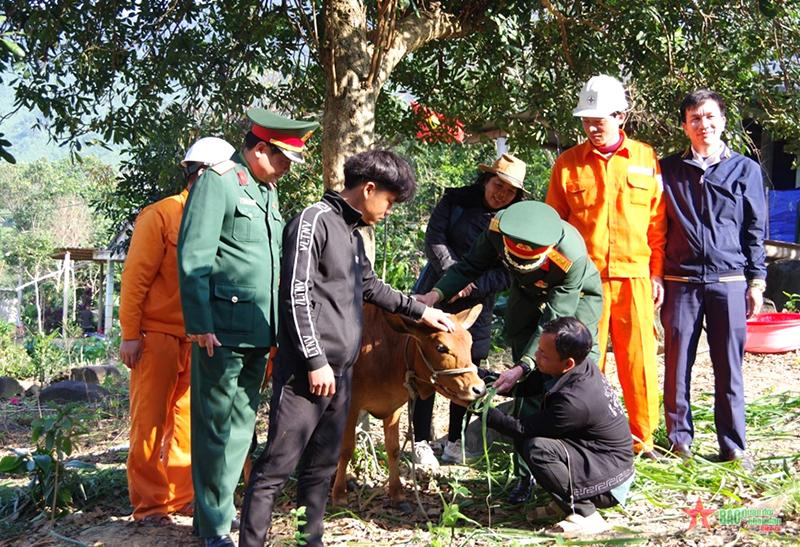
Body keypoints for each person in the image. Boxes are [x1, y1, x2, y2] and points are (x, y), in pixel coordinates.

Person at [238, 150, 456, 547]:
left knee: (322, 466)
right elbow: (295, 294)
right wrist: (315, 359)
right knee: (276, 467)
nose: (389, 211)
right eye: (389, 201)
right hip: (307, 373)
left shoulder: (353, 235)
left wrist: (423, 313)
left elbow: (370, 287)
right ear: (368, 188)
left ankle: (311, 541)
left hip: (342, 372)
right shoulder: (313, 221)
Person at [178, 110, 318, 547]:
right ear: (260, 149)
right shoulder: (217, 182)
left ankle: (215, 515)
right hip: (219, 328)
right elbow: (194, 256)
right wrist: (199, 322)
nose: (287, 168)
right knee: (214, 427)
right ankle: (215, 524)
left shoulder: (267, 192)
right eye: (283, 159)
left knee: (241, 426)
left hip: (258, 330)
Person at [417, 200, 604, 504]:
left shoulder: (570, 256)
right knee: (527, 390)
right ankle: (525, 473)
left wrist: (526, 365)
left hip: (574, 301)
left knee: (568, 378)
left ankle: (580, 472)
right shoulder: (498, 229)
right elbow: (469, 267)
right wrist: (434, 294)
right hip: (526, 294)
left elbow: (554, 319)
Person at [545, 75, 666, 459]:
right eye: (587, 119)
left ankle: (641, 439)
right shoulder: (567, 165)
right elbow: (552, 228)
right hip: (586, 283)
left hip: (635, 277)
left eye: (600, 119)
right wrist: (568, 273)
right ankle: (587, 437)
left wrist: (656, 272)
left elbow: (657, 224)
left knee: (639, 359)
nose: (593, 127)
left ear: (621, 115)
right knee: (583, 360)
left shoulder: (646, 159)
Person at [120, 136, 235, 524]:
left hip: (199, 339)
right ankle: (151, 505)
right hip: (157, 337)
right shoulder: (162, 215)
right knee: (150, 422)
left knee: (190, 423)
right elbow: (135, 279)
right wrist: (130, 335)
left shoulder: (222, 220)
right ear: (202, 175)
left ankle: (183, 498)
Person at [659, 89, 766, 467]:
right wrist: (657, 276)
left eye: (709, 117)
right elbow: (655, 226)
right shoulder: (666, 169)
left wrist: (757, 281)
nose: (703, 124)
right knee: (676, 366)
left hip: (730, 282)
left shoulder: (746, 170)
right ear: (684, 125)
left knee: (729, 367)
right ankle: (679, 443)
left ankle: (733, 445)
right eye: (694, 118)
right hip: (680, 282)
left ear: (722, 121)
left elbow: (755, 230)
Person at [411, 153, 524, 467]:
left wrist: (472, 286)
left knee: (467, 368)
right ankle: (420, 440)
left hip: (478, 302)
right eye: (497, 184)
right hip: (436, 293)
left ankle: (454, 440)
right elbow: (434, 238)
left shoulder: (515, 223)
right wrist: (452, 277)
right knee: (427, 365)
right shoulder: (456, 201)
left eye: (509, 191)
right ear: (486, 180)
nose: (500, 193)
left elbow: (509, 270)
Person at [475, 317, 634, 537]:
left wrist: (475, 407)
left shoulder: (575, 402)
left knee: (537, 448)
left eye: (543, 355)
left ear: (567, 362)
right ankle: (567, 502)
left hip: (609, 482)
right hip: (597, 458)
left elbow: (521, 428)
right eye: (538, 349)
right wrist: (486, 378)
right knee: (532, 443)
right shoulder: (578, 365)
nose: (537, 357)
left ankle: (587, 515)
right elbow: (533, 384)